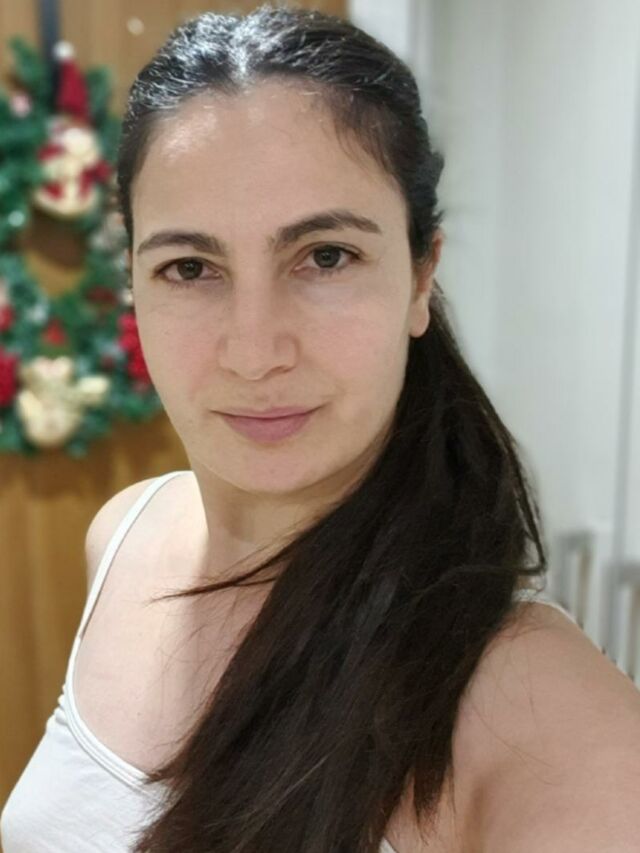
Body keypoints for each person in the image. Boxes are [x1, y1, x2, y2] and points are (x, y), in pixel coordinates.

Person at [2, 4, 640, 852]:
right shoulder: (123, 536)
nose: (255, 351)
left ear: (421, 275)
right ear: (133, 280)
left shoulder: (548, 717)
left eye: (326, 256)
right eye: (190, 267)